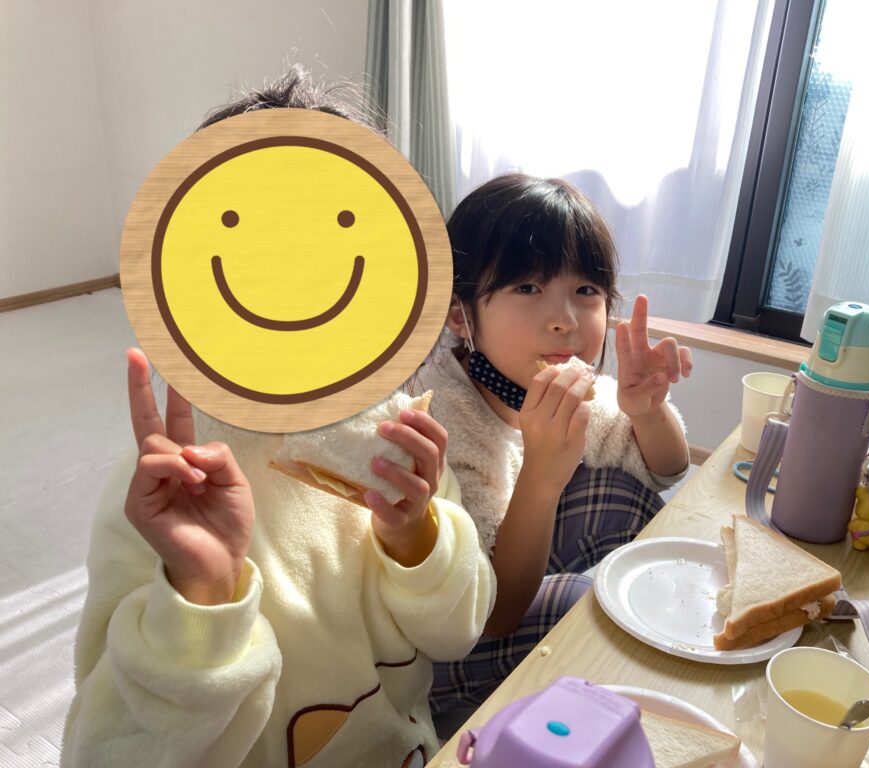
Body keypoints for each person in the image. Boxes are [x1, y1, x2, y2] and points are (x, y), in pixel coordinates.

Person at [62, 67, 495, 768]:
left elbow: (457, 632)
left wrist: (416, 537)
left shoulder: (399, 445)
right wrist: (201, 595)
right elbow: (105, 753)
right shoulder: (160, 496)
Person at [414, 173, 692, 716]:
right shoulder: (440, 416)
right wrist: (542, 476)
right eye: (527, 288)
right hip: (440, 655)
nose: (565, 320)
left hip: (504, 580)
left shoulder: (552, 381)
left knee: (625, 493)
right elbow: (492, 615)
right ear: (459, 314)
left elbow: (668, 470)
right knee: (581, 604)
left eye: (585, 291)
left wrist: (647, 411)